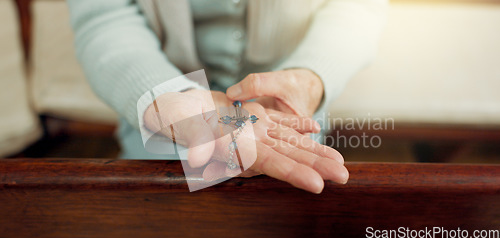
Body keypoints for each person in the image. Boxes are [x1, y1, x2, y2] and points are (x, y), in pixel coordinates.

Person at [67, 0, 388, 193]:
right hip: (162, 131)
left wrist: (311, 77)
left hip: (290, 126)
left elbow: (356, 8)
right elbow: (104, 18)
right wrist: (164, 95)